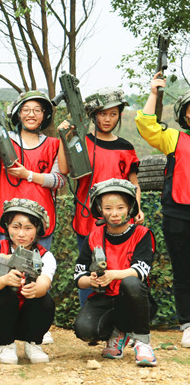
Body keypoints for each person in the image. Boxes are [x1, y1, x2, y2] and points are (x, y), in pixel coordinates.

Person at [58, 87, 140, 306]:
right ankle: (90, 316)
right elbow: (64, 169)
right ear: (93, 114)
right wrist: (64, 138)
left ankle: (122, 317)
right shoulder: (81, 142)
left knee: (120, 269)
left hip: (120, 219)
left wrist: (138, 208)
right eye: (103, 114)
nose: (108, 119)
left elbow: (134, 184)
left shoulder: (126, 147)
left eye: (113, 114)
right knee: (88, 271)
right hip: (87, 218)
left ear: (119, 116)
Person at [74, 178, 157, 366]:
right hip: (104, 298)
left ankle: (142, 342)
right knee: (85, 330)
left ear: (130, 208)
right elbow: (78, 276)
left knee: (131, 282)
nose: (114, 214)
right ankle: (117, 333)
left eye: (120, 208)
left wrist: (112, 275)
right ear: (99, 209)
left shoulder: (142, 234)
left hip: (134, 300)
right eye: (108, 208)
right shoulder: (93, 236)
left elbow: (140, 271)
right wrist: (90, 280)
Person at [136, 74, 190, 349]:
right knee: (183, 270)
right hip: (178, 212)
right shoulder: (174, 138)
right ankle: (188, 325)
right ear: (184, 115)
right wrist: (154, 93)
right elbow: (146, 125)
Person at [0, 90, 65, 250]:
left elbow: (59, 180)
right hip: (9, 220)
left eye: (37, 110)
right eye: (26, 110)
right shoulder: (5, 140)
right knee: (6, 264)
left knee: (38, 264)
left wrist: (28, 175)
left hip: (41, 220)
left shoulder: (53, 144)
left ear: (44, 115)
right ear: (18, 113)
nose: (31, 114)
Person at [0, 199, 56, 365]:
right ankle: (6, 343)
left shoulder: (45, 256)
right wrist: (4, 280)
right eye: (16, 227)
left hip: (28, 317)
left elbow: (44, 284)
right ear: (7, 226)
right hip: (0, 318)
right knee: (4, 295)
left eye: (28, 228)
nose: (21, 234)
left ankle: (34, 342)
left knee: (45, 301)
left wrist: (35, 289)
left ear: (38, 229)